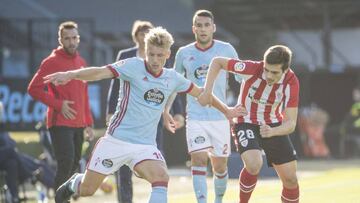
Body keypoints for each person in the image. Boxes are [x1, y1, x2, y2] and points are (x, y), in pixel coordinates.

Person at [43, 26, 247, 203]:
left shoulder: (172, 77)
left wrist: (227, 111)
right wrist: (70, 75)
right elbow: (99, 72)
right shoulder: (133, 66)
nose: (155, 60)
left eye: (160, 55)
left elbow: (203, 95)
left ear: (168, 55)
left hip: (145, 146)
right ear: (146, 52)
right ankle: (73, 183)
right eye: (151, 54)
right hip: (116, 140)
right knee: (87, 190)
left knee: (161, 177)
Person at [198, 45, 300, 203]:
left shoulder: (292, 83)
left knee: (291, 180)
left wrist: (273, 131)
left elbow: (291, 123)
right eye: (266, 70)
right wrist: (207, 91)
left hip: (273, 126)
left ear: (285, 70)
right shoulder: (252, 68)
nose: (268, 75)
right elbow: (217, 62)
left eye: (274, 72)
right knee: (254, 164)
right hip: (246, 121)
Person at [163, 10, 239, 203]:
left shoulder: (226, 49)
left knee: (219, 167)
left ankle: (219, 200)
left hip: (220, 117)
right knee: (198, 160)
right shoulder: (184, 53)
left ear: (213, 28)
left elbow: (241, 77)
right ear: (193, 28)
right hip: (195, 116)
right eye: (199, 25)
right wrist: (166, 110)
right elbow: (175, 84)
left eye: (207, 25)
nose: (203, 29)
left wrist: (243, 105)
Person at [106, 20, 184, 203]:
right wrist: (110, 112)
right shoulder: (126, 56)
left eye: (147, 32)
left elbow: (172, 85)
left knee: (157, 159)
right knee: (123, 164)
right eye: (141, 33)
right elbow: (115, 84)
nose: (144, 36)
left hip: (153, 120)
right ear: (136, 36)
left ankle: (156, 196)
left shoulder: (161, 57)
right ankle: (125, 200)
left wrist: (177, 111)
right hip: (128, 120)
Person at [27, 21, 95, 192]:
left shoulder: (81, 61)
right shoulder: (51, 62)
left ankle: (64, 197)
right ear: (60, 40)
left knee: (73, 166)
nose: (71, 42)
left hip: (79, 123)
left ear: (78, 39)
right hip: (59, 123)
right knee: (66, 163)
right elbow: (33, 89)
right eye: (67, 38)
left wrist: (88, 123)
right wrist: (58, 104)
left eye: (74, 38)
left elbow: (84, 95)